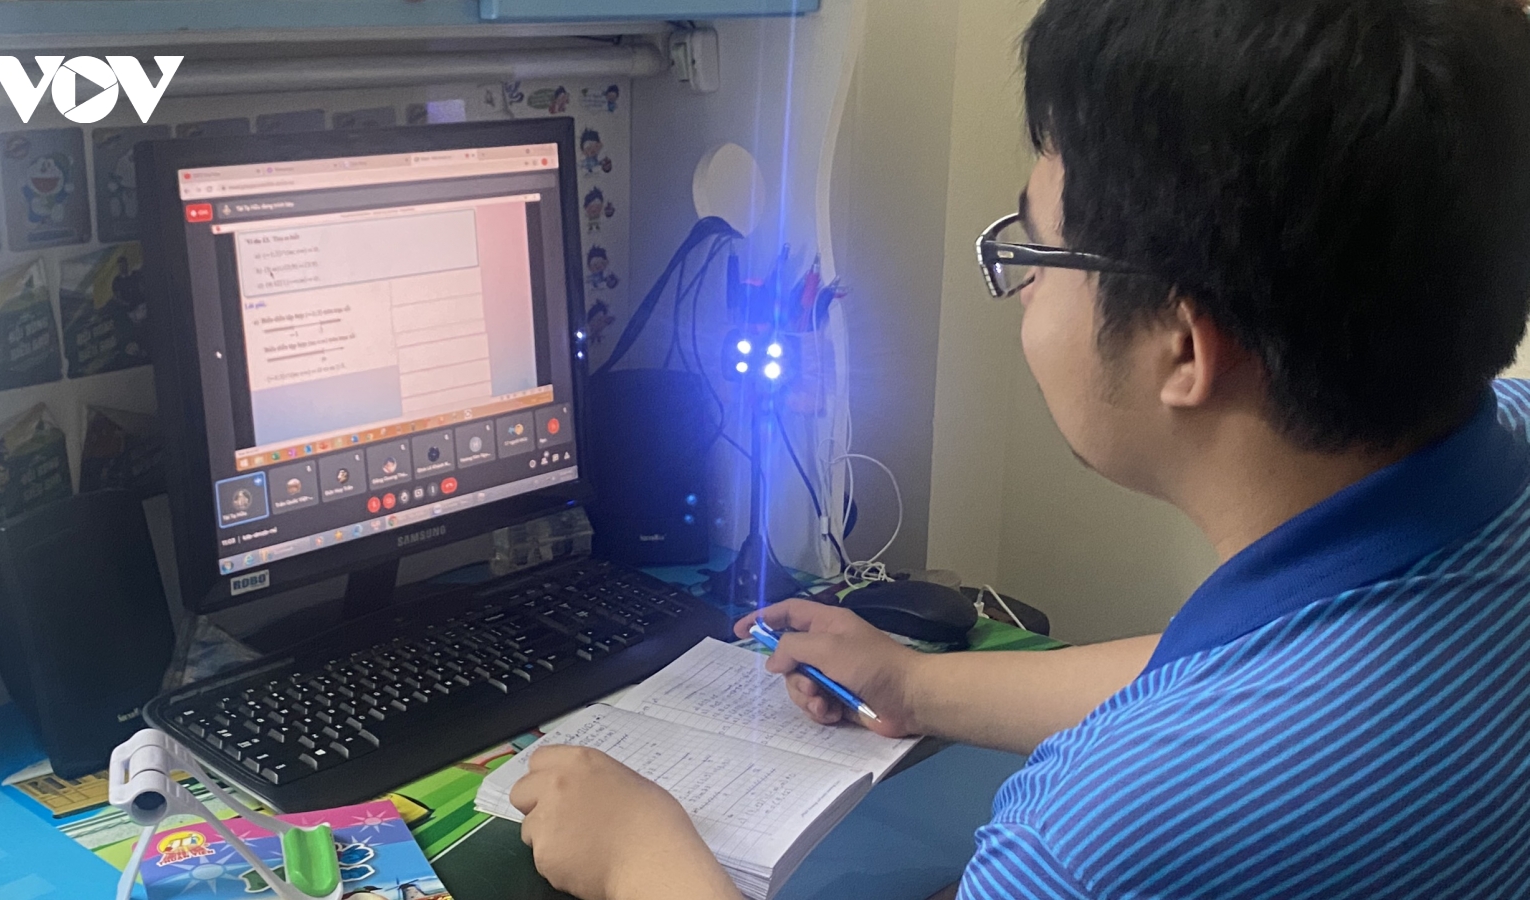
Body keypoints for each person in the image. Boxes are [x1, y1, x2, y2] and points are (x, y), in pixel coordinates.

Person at [506, 0, 1530, 897]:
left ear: (1182, 346)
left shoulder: (1095, 840)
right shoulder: (1505, 443)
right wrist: (916, 686)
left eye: (1033, 252)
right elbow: (1233, 666)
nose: (1021, 288)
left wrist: (643, 860)